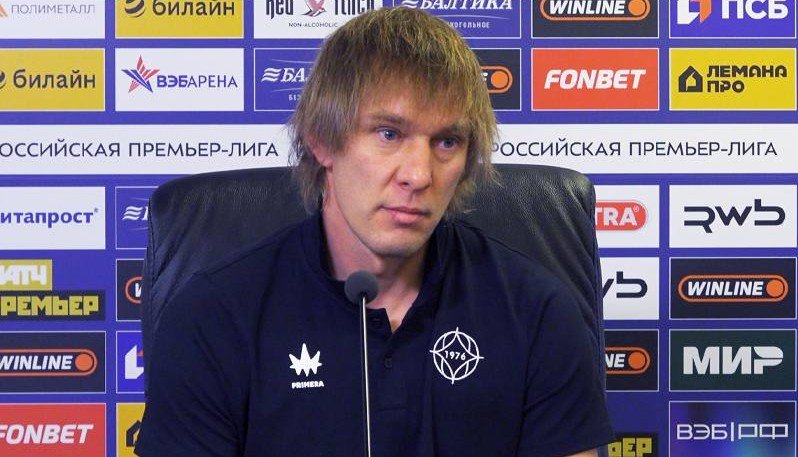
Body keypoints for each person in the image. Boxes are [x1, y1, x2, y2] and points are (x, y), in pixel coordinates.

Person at [135, 7, 613, 457]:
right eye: (389, 134)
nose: (419, 175)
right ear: (321, 139)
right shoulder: (212, 316)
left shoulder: (538, 310)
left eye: (447, 141)